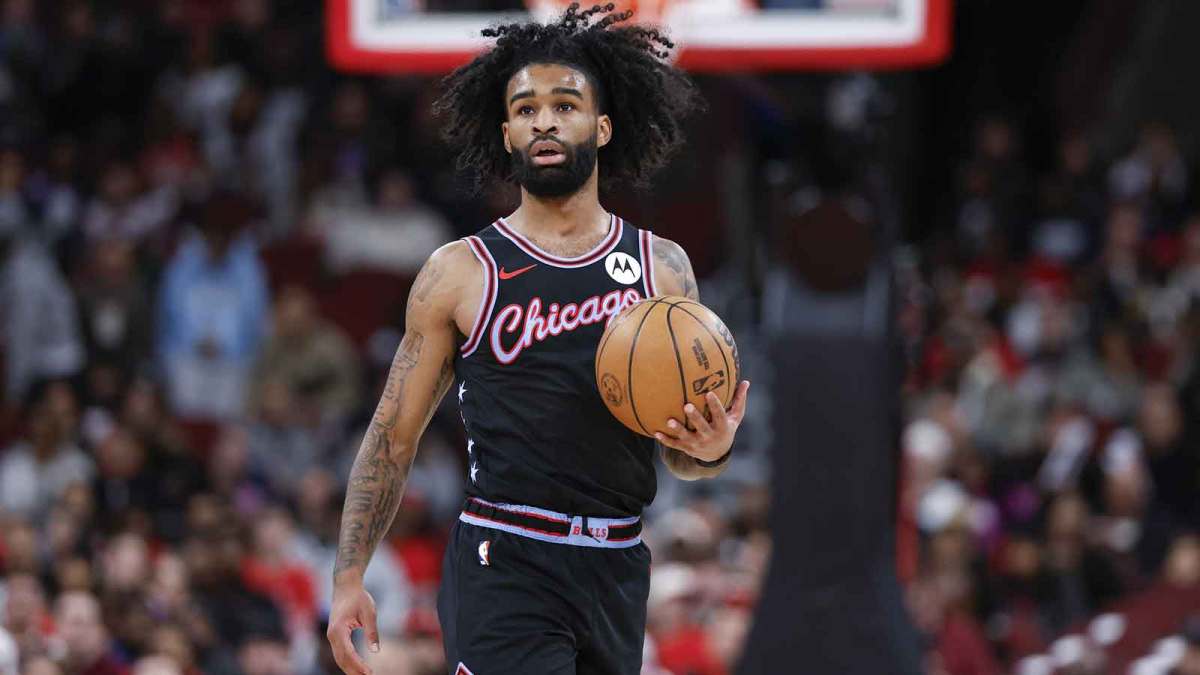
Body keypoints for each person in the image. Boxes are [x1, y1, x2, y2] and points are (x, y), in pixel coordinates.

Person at [326, 5, 750, 674]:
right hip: (506, 558)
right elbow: (391, 435)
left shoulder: (661, 268)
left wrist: (713, 446)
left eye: (564, 104)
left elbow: (685, 456)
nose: (543, 119)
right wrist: (349, 574)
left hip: (617, 564)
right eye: (524, 109)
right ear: (506, 132)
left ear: (603, 127)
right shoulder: (461, 272)